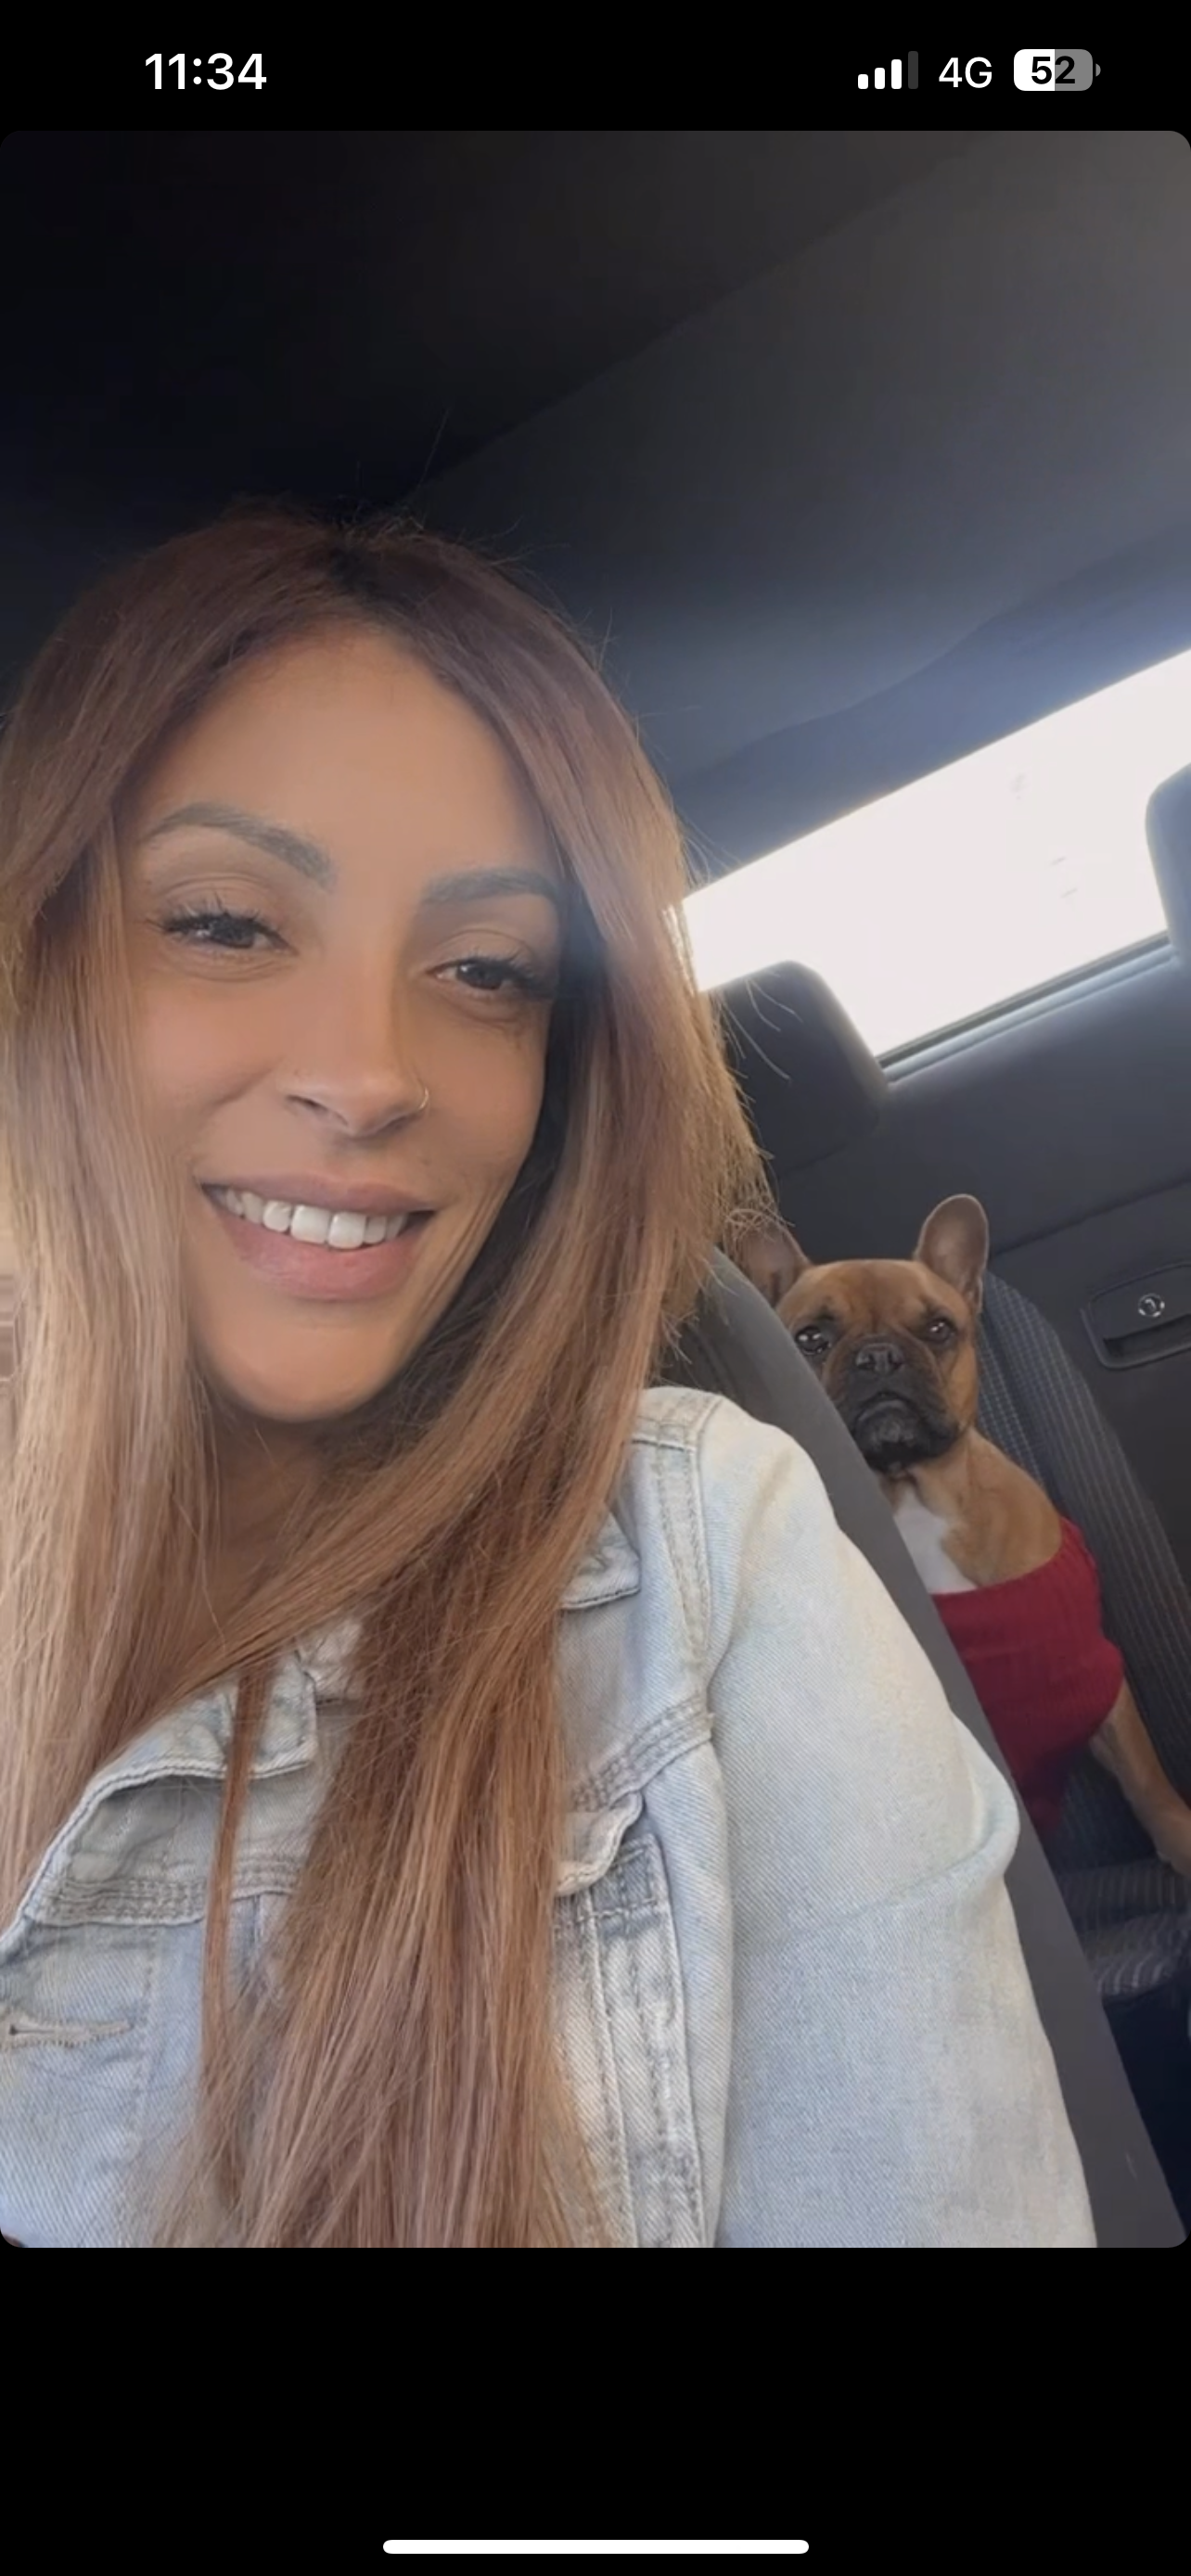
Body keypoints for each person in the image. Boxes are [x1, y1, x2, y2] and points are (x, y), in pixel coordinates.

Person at [0, 505, 1095, 2249]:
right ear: (35, 962)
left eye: (486, 969)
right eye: (223, 921)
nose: (369, 1071)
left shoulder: (707, 1551)